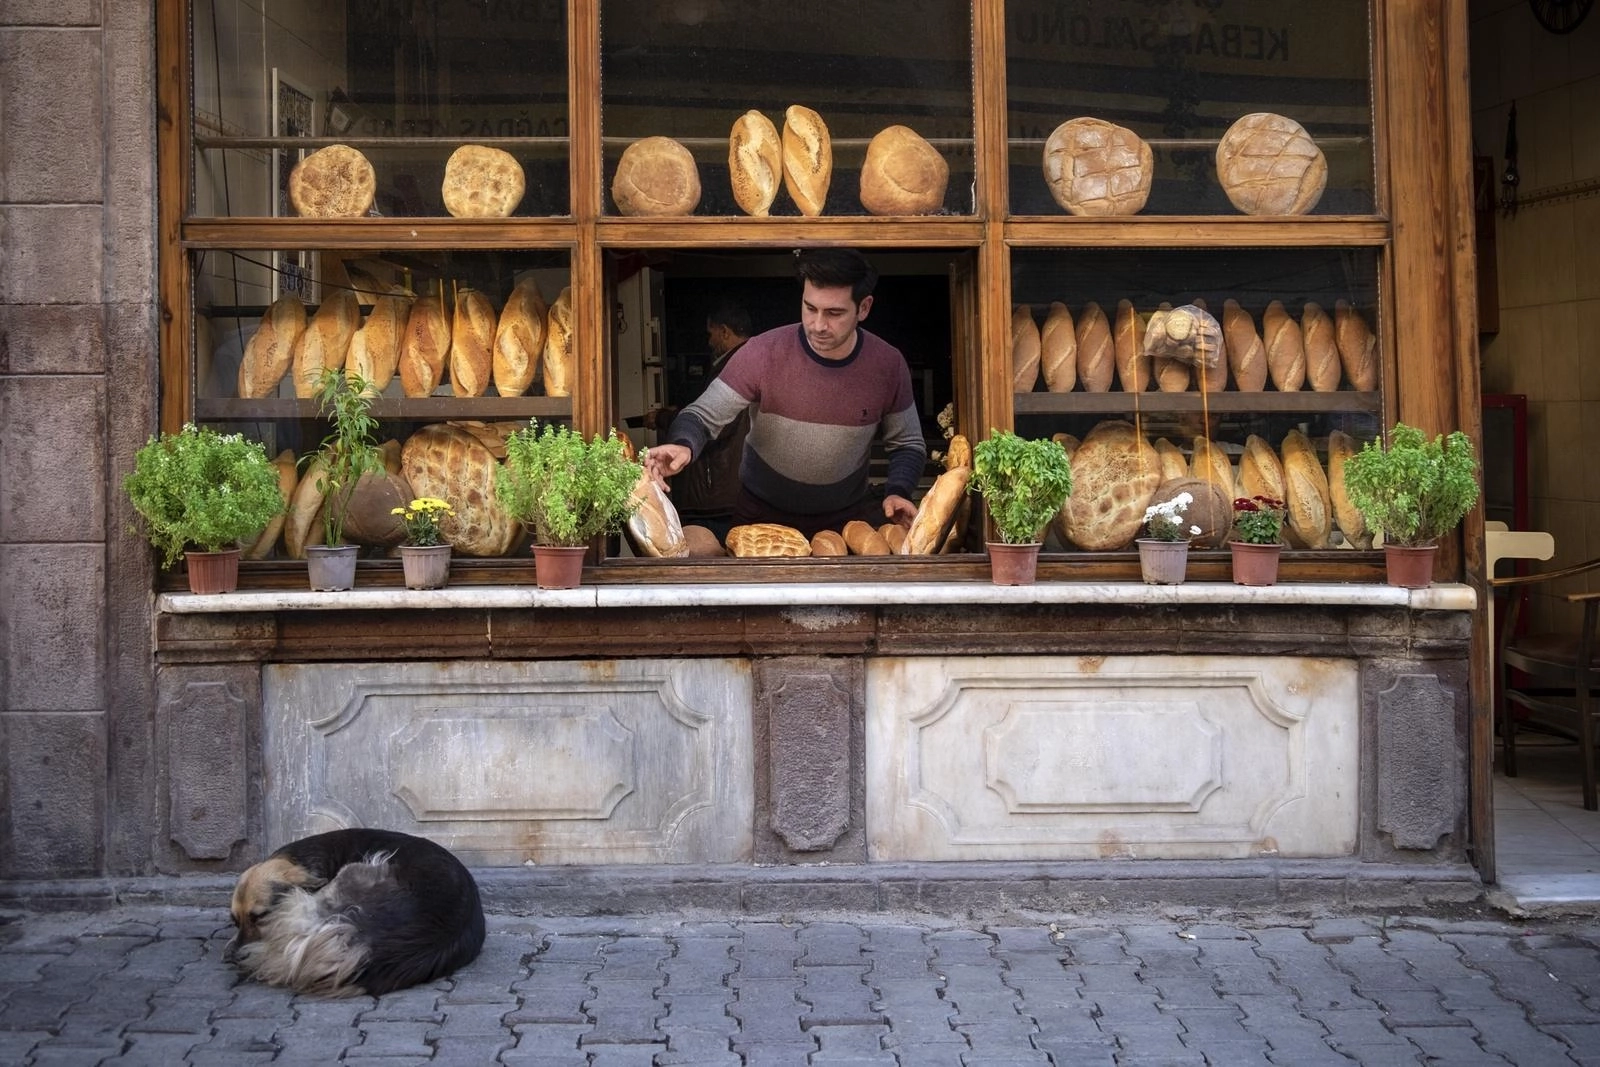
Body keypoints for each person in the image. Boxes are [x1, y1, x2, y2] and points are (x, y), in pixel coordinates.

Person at [646, 249, 927, 540]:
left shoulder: (887, 365)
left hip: (844, 525)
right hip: (759, 518)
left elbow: (908, 443)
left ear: (864, 308)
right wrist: (683, 444)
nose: (818, 325)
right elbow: (701, 416)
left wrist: (899, 490)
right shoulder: (762, 352)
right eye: (810, 308)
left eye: (834, 313)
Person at [657, 300, 753, 540]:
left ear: (724, 331)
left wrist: (664, 418)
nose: (709, 342)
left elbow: (718, 422)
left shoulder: (734, 367)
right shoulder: (747, 361)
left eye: (711, 334)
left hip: (719, 493)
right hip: (730, 490)